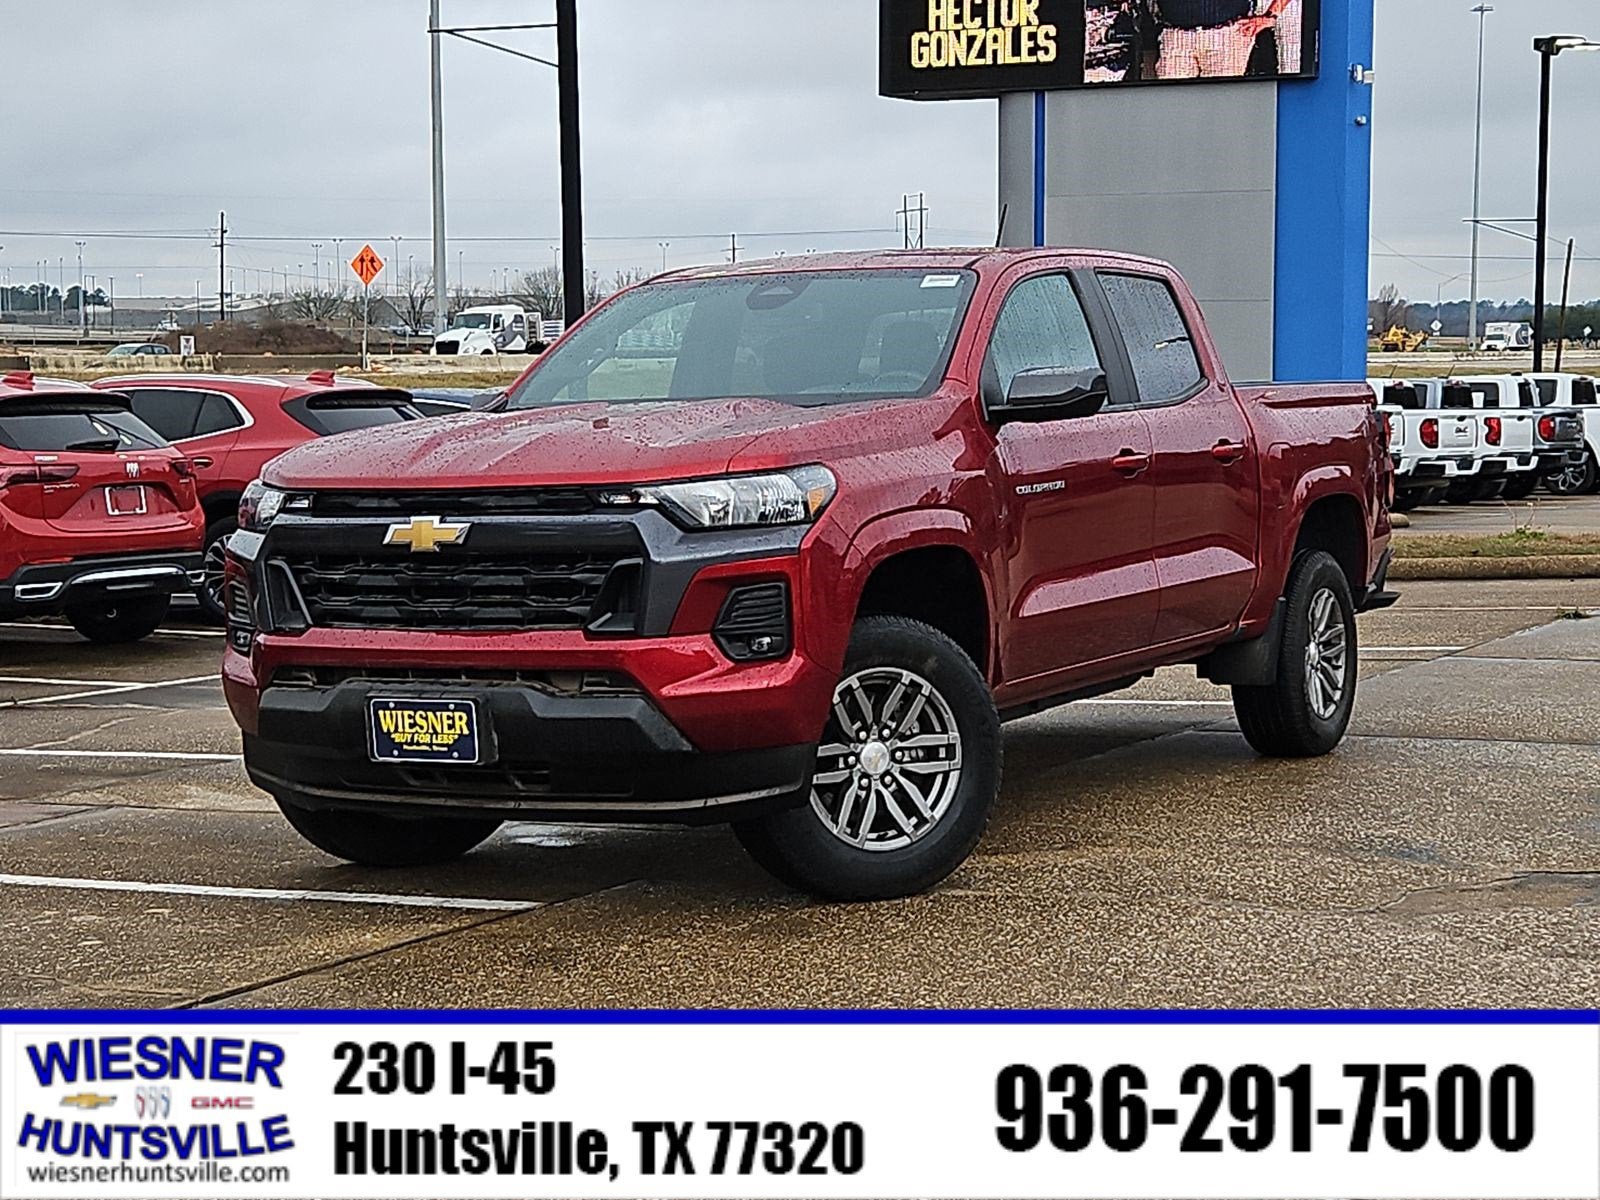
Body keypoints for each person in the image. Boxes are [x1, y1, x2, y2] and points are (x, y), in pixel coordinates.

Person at [1154, 0, 1292, 79]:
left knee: (1221, 107)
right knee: (1173, 106)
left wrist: (1271, 15)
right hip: (1176, 36)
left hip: (1227, 35)